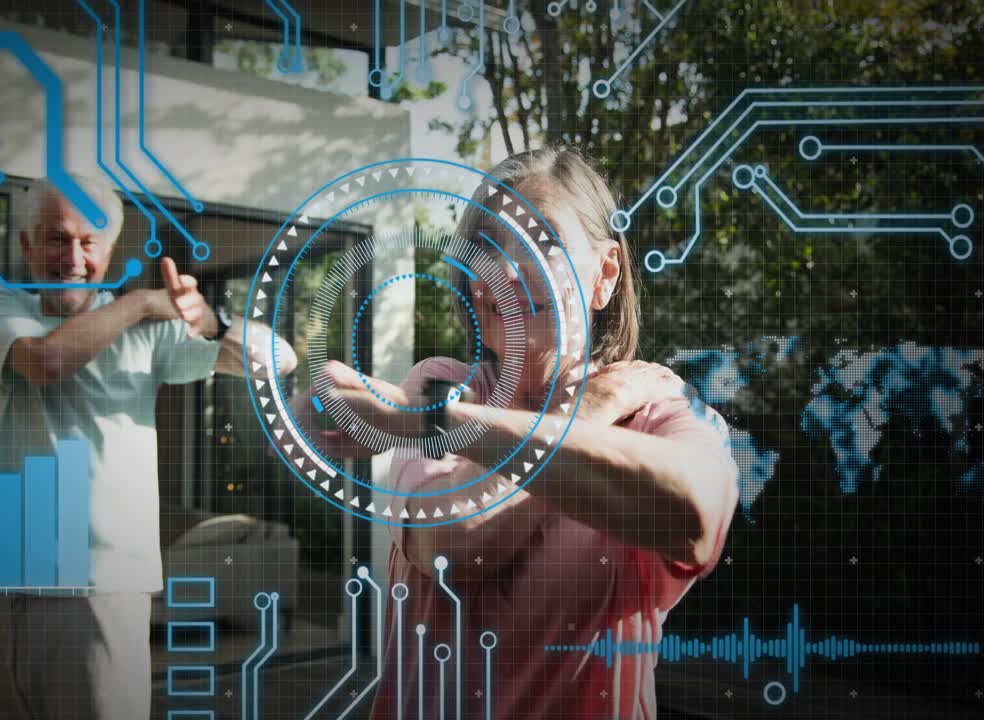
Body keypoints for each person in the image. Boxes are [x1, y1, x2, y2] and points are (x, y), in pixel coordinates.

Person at [305, 148, 738, 719]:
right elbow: (452, 549)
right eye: (487, 244)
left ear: (605, 275)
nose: (503, 271)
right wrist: (588, 410)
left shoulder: (659, 409)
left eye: (543, 243)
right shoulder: (443, 386)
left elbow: (695, 518)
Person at [0, 175, 296, 720]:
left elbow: (281, 360)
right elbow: (45, 363)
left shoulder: (150, 336)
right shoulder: (0, 306)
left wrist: (212, 322)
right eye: (55, 238)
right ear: (27, 246)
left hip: (100, 591)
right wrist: (143, 303)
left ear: (109, 249)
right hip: (8, 585)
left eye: (88, 241)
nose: (72, 256)